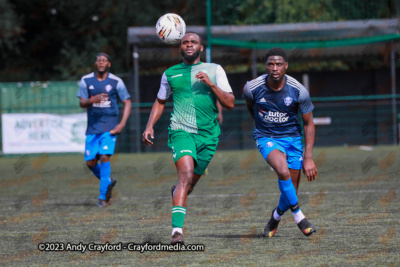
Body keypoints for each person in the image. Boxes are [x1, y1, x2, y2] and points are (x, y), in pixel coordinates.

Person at [142, 32, 235, 244]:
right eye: (185, 42)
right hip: (180, 131)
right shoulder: (170, 73)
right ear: (179, 48)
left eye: (194, 42)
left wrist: (211, 84)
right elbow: (160, 101)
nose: (189, 45)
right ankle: (177, 232)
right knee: (185, 176)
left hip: (208, 136)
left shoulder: (215, 69)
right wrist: (149, 126)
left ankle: (177, 192)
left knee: (189, 185)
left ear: (201, 48)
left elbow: (230, 103)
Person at [243, 47, 317, 238]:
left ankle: (275, 217)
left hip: (293, 140)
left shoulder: (299, 90)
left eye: (278, 64)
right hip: (266, 138)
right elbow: (251, 108)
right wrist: (262, 128)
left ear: (285, 66)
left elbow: (309, 124)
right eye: (270, 64)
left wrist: (308, 158)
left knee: (290, 189)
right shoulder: (252, 88)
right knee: (282, 171)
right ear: (266, 66)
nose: (274, 68)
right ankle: (300, 218)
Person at [77, 52, 131, 207]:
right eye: (98, 60)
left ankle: (102, 198)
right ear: (96, 63)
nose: (101, 62)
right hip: (93, 127)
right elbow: (82, 102)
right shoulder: (86, 80)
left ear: (109, 64)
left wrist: (121, 124)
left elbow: (127, 102)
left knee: (105, 157)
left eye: (104, 60)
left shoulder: (116, 81)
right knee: (90, 162)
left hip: (110, 125)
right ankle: (108, 180)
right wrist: (91, 100)